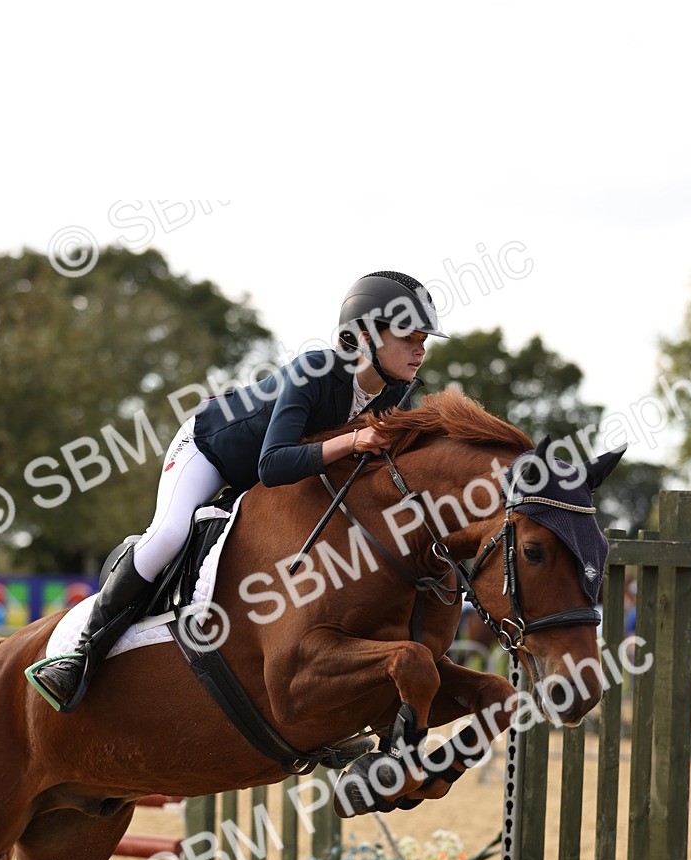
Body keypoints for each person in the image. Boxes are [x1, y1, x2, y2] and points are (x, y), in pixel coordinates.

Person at [27, 270, 447, 712]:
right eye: (408, 337)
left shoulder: (397, 395)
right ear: (363, 336)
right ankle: (81, 655)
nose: (420, 349)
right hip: (211, 451)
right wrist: (353, 441)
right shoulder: (314, 372)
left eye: (424, 338)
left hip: (270, 477)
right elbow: (271, 464)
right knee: (170, 533)